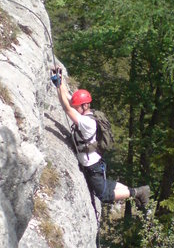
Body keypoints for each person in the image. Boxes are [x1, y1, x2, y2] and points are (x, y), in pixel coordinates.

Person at [51, 69, 150, 208]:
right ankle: (136, 191)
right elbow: (68, 98)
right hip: (95, 163)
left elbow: (67, 108)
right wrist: (60, 83)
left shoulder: (87, 122)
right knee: (107, 185)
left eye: (77, 106)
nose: (74, 108)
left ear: (85, 105)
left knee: (104, 195)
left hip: (92, 166)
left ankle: (137, 192)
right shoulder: (88, 113)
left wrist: (58, 85)